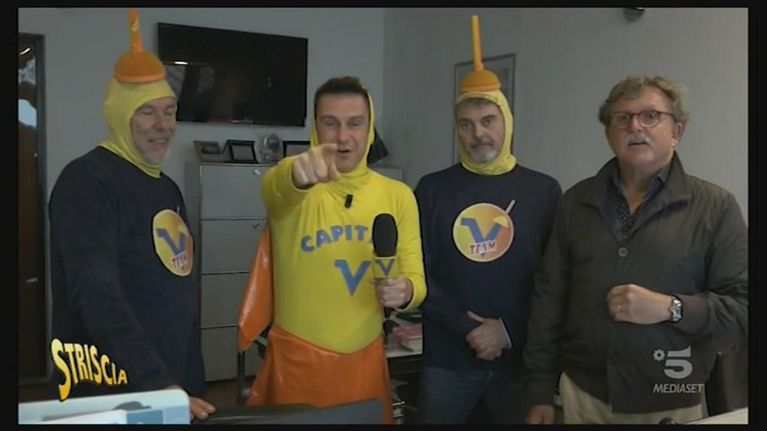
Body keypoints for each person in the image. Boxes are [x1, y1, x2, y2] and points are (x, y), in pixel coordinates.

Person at [524, 75, 748, 424]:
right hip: (583, 395)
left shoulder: (716, 207)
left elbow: (742, 312)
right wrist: (539, 388)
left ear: (676, 131)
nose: (635, 126)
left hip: (670, 398)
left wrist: (671, 308)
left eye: (651, 116)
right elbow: (549, 298)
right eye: (623, 118)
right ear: (608, 134)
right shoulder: (575, 202)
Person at [48, 9, 215, 421]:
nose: (164, 125)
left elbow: (179, 292)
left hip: (170, 385)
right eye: (146, 112)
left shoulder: (167, 187)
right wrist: (157, 383)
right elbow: (96, 294)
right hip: (111, 392)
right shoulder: (87, 182)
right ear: (120, 115)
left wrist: (189, 382)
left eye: (169, 111)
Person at [244, 76, 427, 424]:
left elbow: (417, 280)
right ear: (316, 127)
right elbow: (275, 187)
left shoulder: (399, 195)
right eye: (331, 123)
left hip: (365, 363)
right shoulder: (295, 184)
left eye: (355, 123)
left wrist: (405, 291)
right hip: (296, 366)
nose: (343, 137)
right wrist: (295, 174)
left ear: (369, 127)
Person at [413, 15, 562, 424]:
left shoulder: (544, 190)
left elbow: (555, 279)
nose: (478, 133)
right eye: (466, 125)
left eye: (488, 121)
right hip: (447, 360)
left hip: (519, 360)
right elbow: (418, 271)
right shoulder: (431, 189)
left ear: (506, 122)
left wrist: (507, 329)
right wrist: (467, 327)